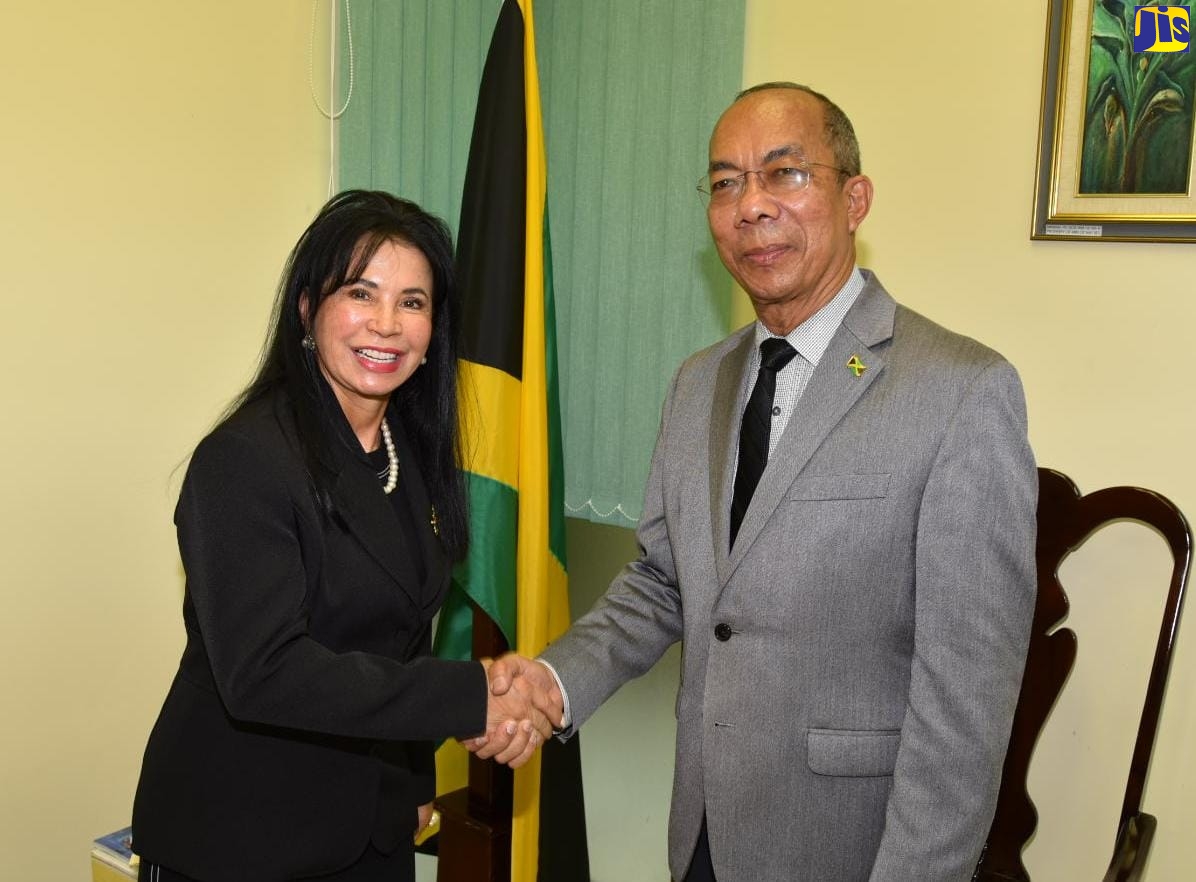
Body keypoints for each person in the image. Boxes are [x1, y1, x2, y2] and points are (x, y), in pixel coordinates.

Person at [480, 83, 1038, 881]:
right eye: (725, 183)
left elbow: (966, 703)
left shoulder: (959, 391)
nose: (751, 207)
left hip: (849, 848)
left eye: (785, 174)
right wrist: (551, 682)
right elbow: (664, 584)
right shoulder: (697, 382)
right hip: (702, 831)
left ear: (855, 198)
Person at [132, 190, 552, 882]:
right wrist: (471, 694)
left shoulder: (411, 453)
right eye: (363, 293)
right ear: (308, 309)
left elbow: (402, 635)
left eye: (413, 302)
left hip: (373, 828)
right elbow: (266, 672)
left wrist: (416, 782)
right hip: (241, 837)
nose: (387, 325)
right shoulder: (243, 461)